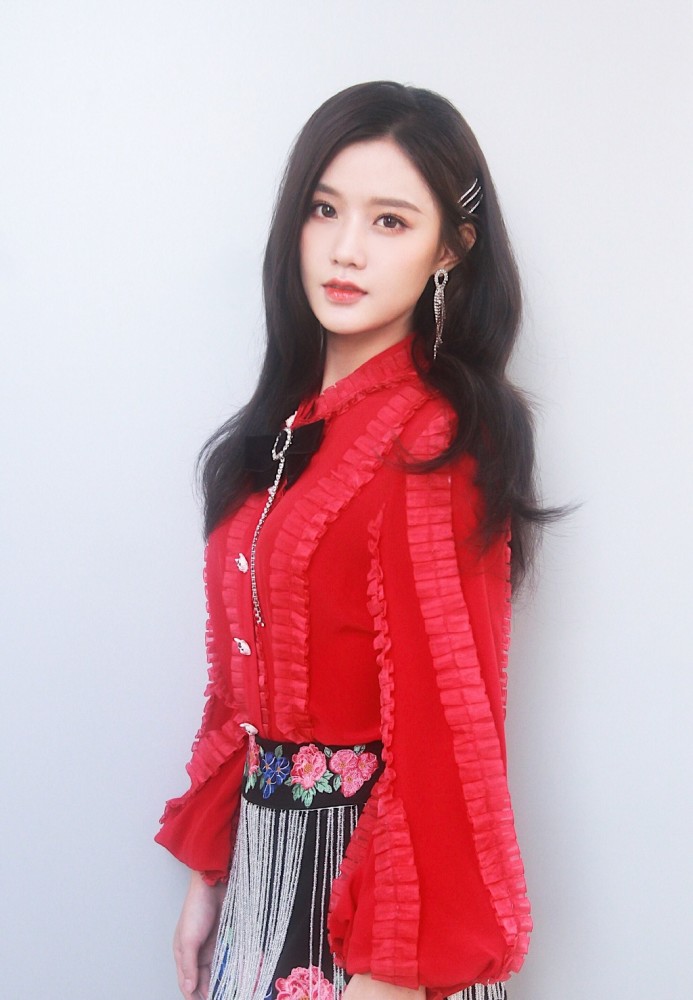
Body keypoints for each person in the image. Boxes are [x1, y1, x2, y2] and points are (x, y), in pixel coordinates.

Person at [156, 80, 552, 1000]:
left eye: (389, 221)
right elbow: (244, 692)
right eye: (324, 209)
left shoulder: (434, 441)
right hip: (260, 880)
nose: (344, 249)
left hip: (369, 912)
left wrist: (389, 975)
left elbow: (445, 732)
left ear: (449, 249)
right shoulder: (280, 437)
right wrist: (212, 877)